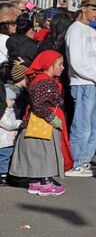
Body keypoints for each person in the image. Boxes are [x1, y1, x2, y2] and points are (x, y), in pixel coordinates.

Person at [64, 0, 96, 177]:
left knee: (94, 126)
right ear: (83, 8)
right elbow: (76, 62)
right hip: (83, 83)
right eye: (93, 9)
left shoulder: (92, 30)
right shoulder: (75, 30)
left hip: (94, 83)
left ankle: (85, 160)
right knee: (82, 125)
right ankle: (76, 162)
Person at [8, 51, 68, 196]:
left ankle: (34, 183)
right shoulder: (45, 81)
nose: (63, 67)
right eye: (60, 64)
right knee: (45, 153)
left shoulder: (38, 79)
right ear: (49, 65)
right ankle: (46, 184)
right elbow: (39, 104)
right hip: (43, 125)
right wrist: (52, 118)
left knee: (35, 153)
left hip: (34, 124)